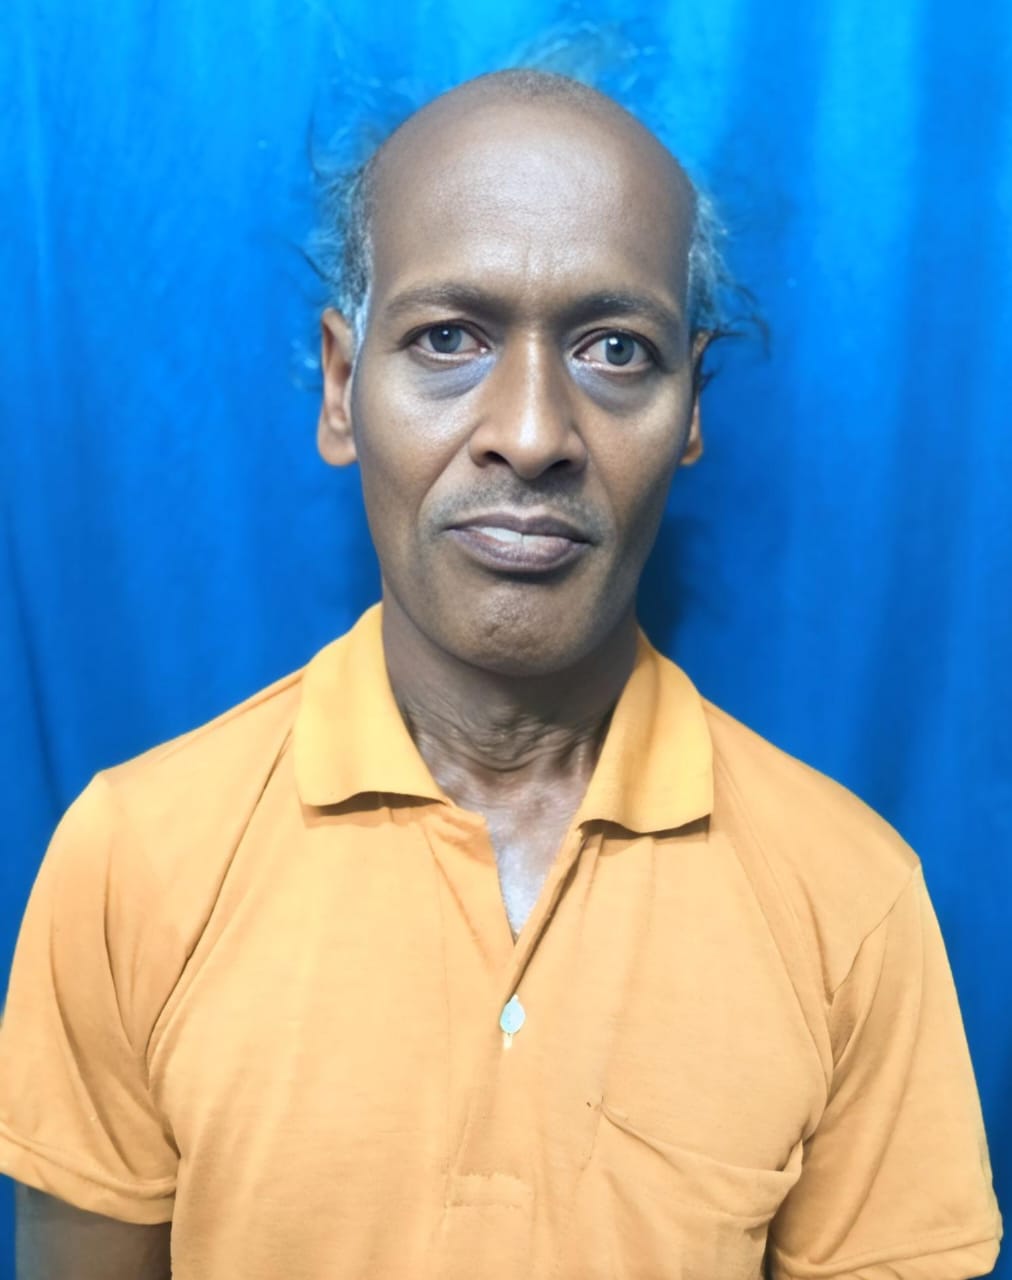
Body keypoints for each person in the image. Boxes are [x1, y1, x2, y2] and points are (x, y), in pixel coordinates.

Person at [0, 68, 1002, 1280]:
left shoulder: (850, 900)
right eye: (448, 339)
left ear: (690, 406)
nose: (530, 434)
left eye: (615, 349)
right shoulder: (132, 861)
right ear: (341, 386)